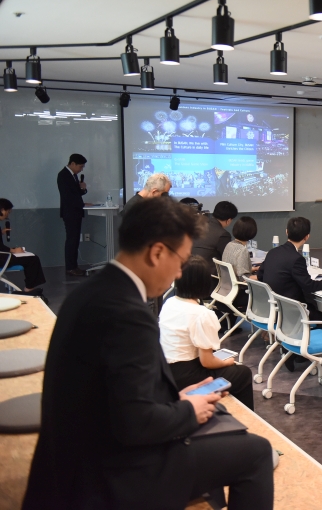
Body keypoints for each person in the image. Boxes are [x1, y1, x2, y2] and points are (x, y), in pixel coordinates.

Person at [23, 198, 273, 510]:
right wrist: (188, 410)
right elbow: (136, 425)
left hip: (70, 463)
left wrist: (175, 398)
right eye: (180, 261)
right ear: (156, 252)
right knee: (256, 452)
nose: (179, 272)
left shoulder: (91, 292)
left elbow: (113, 391)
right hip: (109, 475)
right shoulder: (128, 313)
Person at [159, 255, 255, 409]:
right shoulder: (201, 314)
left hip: (165, 370)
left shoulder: (169, 302)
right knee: (242, 373)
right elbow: (207, 362)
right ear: (204, 282)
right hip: (187, 377)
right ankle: (244, 420)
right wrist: (227, 362)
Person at [257, 217, 322, 372]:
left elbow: (260, 275)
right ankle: (298, 354)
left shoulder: (273, 252)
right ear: (307, 236)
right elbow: (309, 286)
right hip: (293, 311)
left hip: (274, 307)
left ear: (286, 232)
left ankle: (293, 349)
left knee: (315, 311)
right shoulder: (296, 259)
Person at [0, 198, 47, 297]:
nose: (8, 215)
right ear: (2, 210)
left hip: (2, 254)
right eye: (8, 212)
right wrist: (13, 250)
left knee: (28, 256)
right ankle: (29, 289)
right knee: (33, 259)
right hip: (2, 257)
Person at [56, 153, 88, 276]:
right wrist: (82, 203)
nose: (81, 169)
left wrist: (83, 189)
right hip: (70, 212)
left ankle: (74, 266)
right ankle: (70, 267)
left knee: (74, 240)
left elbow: (76, 193)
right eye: (80, 166)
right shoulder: (63, 175)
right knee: (72, 240)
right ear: (73, 163)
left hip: (76, 211)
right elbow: (68, 196)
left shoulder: (73, 175)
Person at [221, 216, 259, 310]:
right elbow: (243, 279)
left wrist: (252, 269)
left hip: (225, 290)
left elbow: (234, 269)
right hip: (239, 294)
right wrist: (260, 276)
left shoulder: (229, 245)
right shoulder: (242, 250)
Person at [193, 200, 238, 268]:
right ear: (228, 220)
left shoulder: (199, 225)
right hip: (208, 271)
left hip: (189, 269)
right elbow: (228, 258)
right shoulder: (223, 234)